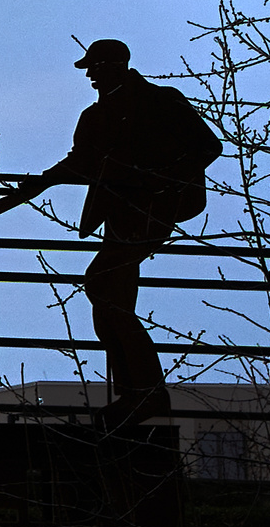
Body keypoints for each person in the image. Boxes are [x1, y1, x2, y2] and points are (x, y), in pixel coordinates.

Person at [23, 40, 221, 428]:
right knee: (109, 295)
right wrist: (44, 181)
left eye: (94, 67)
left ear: (114, 66)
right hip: (117, 213)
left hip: (154, 210)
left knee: (101, 284)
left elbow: (207, 146)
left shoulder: (161, 101)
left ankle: (146, 392)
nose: (89, 74)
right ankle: (138, 393)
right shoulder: (95, 116)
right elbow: (81, 161)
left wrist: (166, 183)